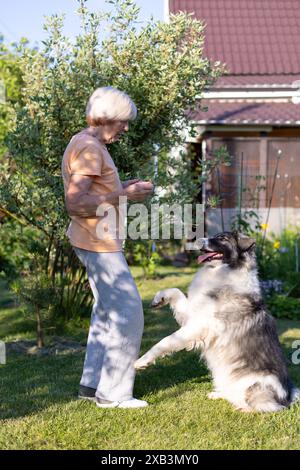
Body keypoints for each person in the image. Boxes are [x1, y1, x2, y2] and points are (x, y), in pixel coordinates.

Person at [61, 86, 153, 408]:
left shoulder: (83, 142)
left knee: (105, 313)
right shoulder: (90, 148)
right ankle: (113, 394)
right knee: (128, 314)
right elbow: (76, 202)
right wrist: (125, 196)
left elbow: (95, 191)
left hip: (91, 240)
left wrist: (123, 187)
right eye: (123, 122)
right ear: (106, 118)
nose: (126, 128)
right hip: (98, 243)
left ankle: (91, 385)